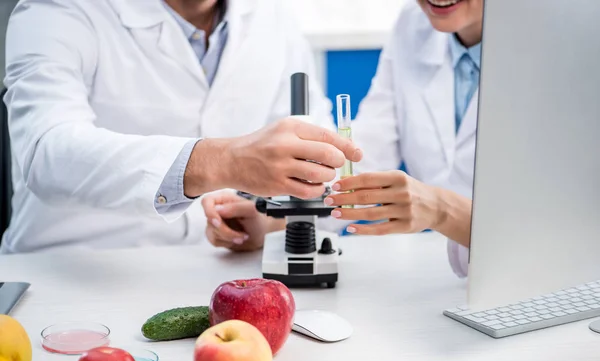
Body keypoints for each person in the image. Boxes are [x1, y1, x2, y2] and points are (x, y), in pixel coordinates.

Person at [0, 0, 362, 254]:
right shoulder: (58, 10)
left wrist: (269, 221)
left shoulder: (273, 14)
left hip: (212, 271)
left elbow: (318, 153)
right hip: (69, 272)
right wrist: (221, 161)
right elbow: (46, 151)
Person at [202, 0, 482, 277]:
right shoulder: (414, 24)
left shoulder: (527, 52)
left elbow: (526, 233)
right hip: (432, 280)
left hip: (515, 288)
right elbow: (358, 164)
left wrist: (444, 212)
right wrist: (273, 222)